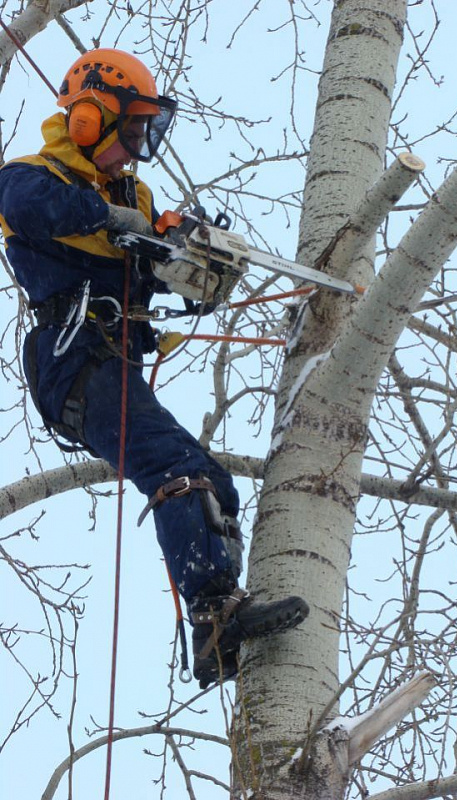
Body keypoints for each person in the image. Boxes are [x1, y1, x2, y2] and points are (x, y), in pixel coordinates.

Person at [0, 48, 308, 688]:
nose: (137, 148)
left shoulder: (130, 195)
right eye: (131, 130)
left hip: (111, 362)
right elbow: (34, 212)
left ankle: (215, 633)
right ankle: (214, 608)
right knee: (176, 469)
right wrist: (119, 223)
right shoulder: (32, 177)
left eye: (145, 132)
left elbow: (140, 263)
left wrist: (184, 263)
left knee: (214, 480)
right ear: (89, 120)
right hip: (72, 362)